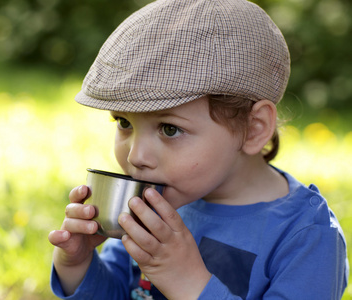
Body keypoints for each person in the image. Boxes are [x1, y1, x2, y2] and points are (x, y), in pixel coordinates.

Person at [48, 0, 349, 299]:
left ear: (254, 128)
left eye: (169, 129)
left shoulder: (307, 237)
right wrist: (76, 264)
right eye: (124, 122)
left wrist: (188, 282)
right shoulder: (157, 205)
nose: (135, 156)